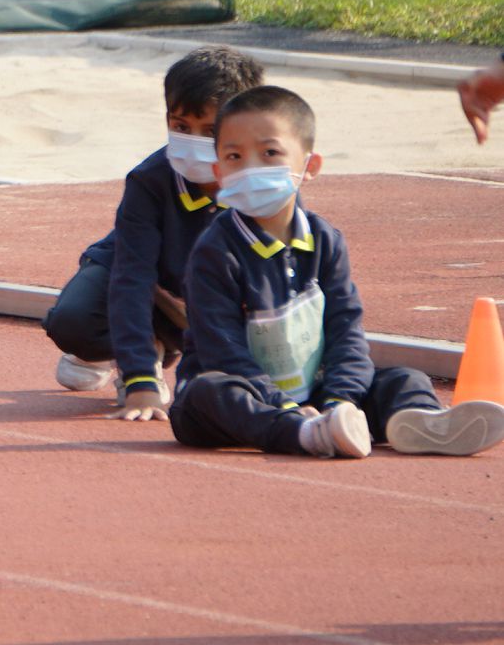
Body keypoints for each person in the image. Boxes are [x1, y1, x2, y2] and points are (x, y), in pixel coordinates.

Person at [172, 86, 504, 458]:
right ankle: (305, 434)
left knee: (405, 378)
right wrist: (285, 407)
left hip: (318, 396)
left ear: (309, 166)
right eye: (235, 156)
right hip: (244, 403)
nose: (251, 168)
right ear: (218, 172)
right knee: (211, 393)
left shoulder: (325, 241)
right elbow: (222, 350)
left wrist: (340, 400)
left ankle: (420, 422)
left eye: (269, 153)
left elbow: (346, 328)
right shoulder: (214, 252)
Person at [44, 46, 266, 417]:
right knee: (72, 321)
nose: (193, 141)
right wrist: (140, 381)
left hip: (202, 301)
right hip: (137, 276)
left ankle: (161, 342)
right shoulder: (150, 180)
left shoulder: (265, 187)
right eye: (180, 127)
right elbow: (131, 276)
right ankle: (137, 351)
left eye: (210, 131)